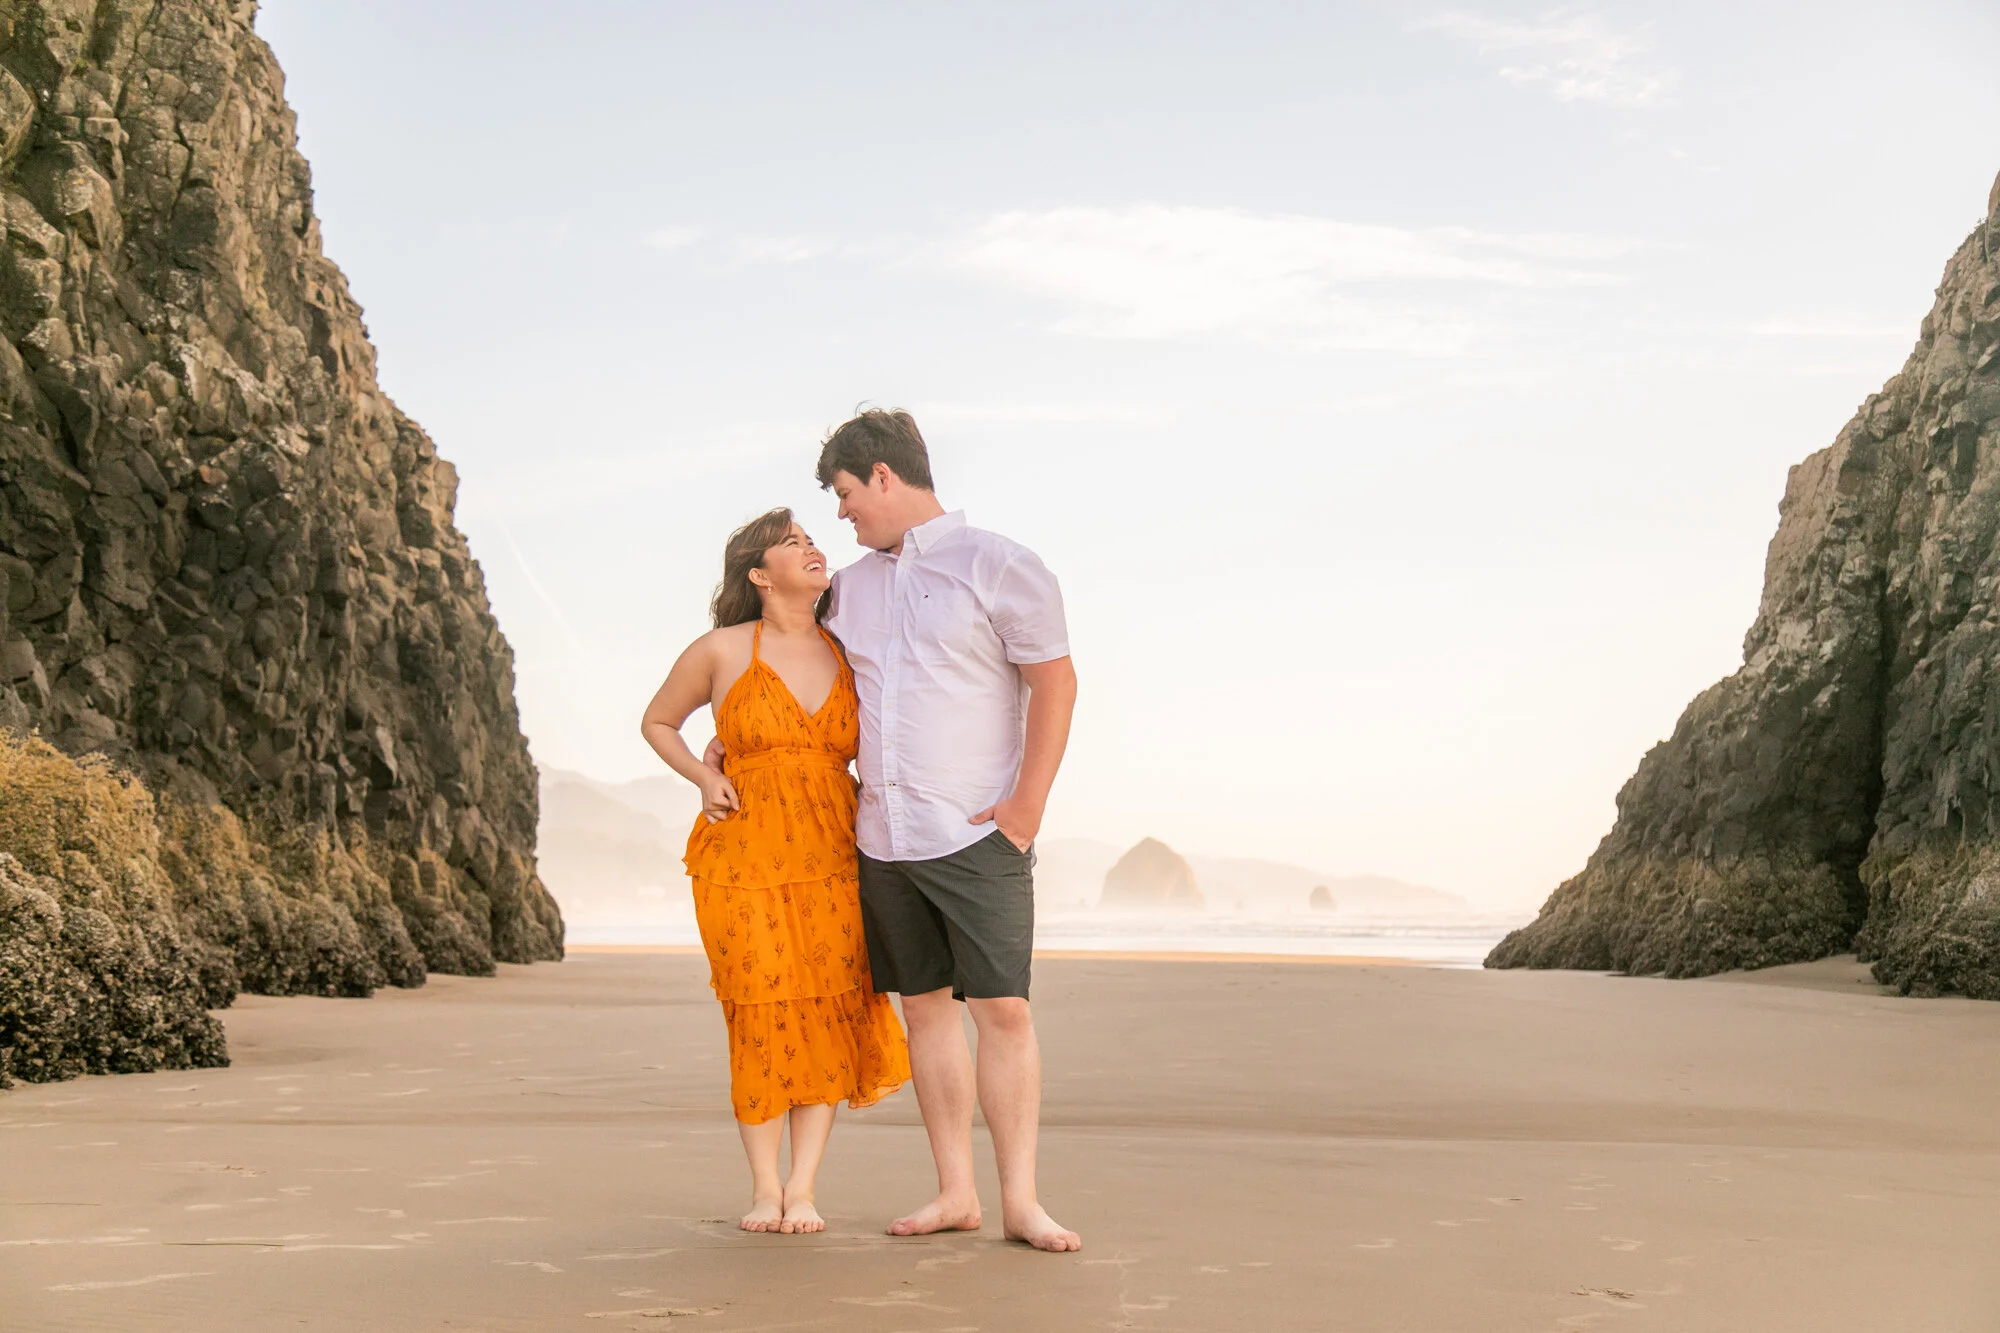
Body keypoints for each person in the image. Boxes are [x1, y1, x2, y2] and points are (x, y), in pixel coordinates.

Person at [802, 408, 1084, 1251]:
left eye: (848, 495)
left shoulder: (999, 564)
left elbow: (1057, 684)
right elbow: (795, 664)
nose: (843, 515)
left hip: (976, 832)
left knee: (1002, 1010)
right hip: (882, 839)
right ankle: (954, 1191)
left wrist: (1025, 809)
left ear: (884, 475)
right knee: (924, 1011)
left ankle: (1021, 1200)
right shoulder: (848, 588)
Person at [639, 508, 910, 1235]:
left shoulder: (848, 649)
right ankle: (764, 1187)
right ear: (760, 576)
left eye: (812, 539)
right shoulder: (723, 649)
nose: (814, 548)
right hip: (742, 855)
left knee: (825, 1006)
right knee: (758, 1007)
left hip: (833, 855)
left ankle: (805, 1187)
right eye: (793, 544)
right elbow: (658, 721)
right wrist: (703, 773)